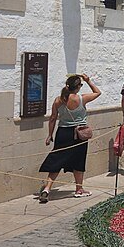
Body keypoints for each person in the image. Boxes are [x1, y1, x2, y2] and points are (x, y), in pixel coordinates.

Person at [38, 74, 101, 203]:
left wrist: (50, 135)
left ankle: (47, 188)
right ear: (77, 87)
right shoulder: (82, 99)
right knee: (79, 160)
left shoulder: (58, 100)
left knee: (57, 160)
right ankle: (79, 189)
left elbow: (52, 118)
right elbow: (97, 92)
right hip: (79, 133)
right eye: (80, 85)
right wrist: (88, 80)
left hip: (63, 133)